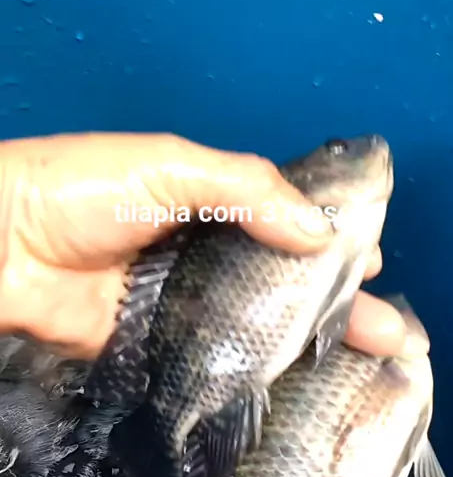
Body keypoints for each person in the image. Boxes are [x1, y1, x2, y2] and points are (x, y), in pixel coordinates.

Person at [0, 131, 428, 361]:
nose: (357, 150)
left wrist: (17, 228)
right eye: (336, 150)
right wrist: (16, 221)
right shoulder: (281, 208)